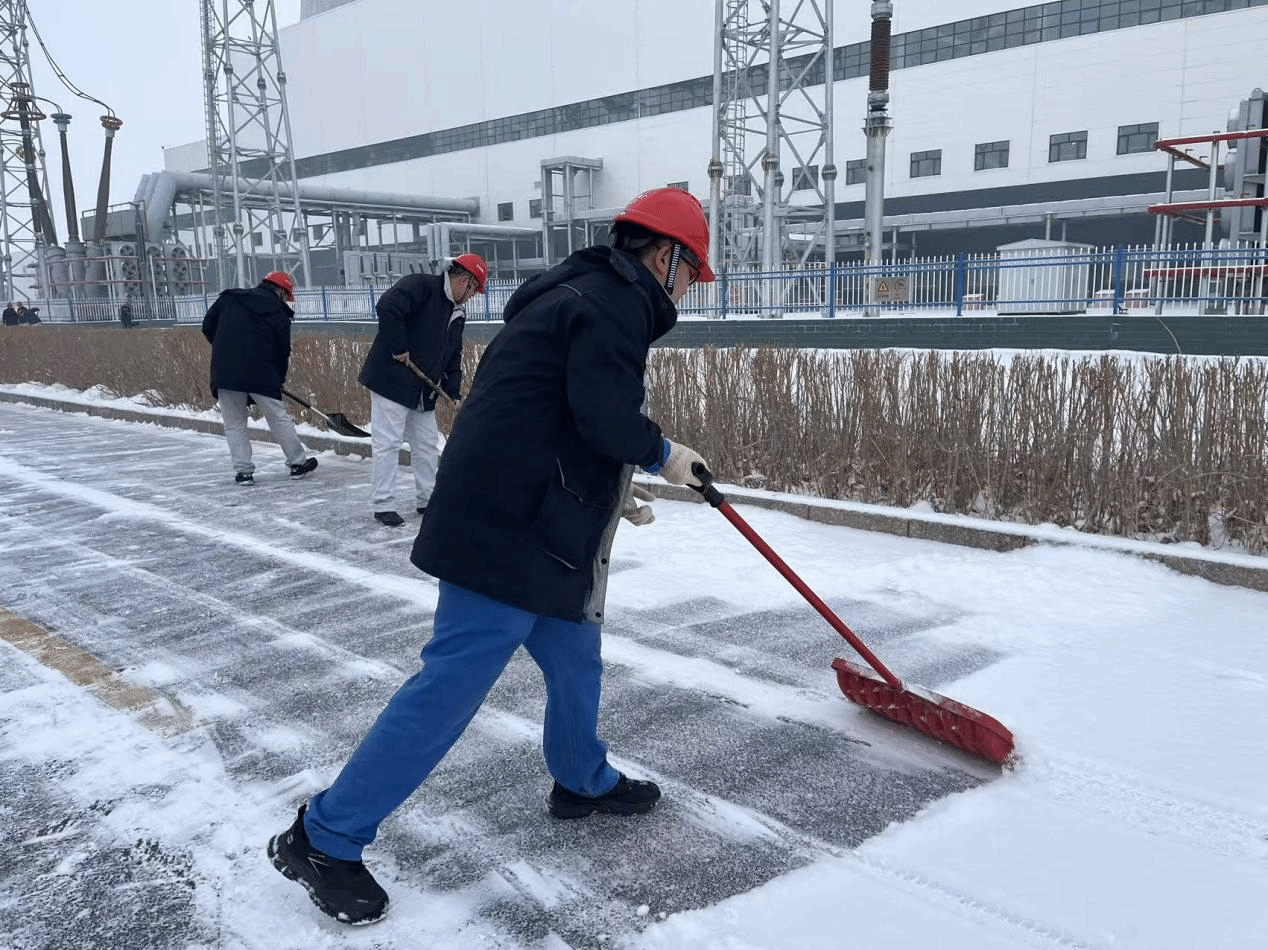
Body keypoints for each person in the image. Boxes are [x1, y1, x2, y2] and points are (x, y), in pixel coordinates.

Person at [267, 187, 713, 925]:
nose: (691, 289)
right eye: (692, 273)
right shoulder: (614, 303)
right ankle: (324, 836)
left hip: (536, 516)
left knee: (575, 655)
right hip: (507, 526)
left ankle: (581, 778)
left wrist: (611, 486)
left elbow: (558, 412)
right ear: (665, 256)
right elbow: (604, 416)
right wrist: (662, 453)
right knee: (450, 685)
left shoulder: (581, 292)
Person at [357, 252, 487, 527]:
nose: (472, 297)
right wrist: (398, 347)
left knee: (426, 444)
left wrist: (453, 392)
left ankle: (427, 500)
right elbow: (388, 307)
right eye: (474, 291)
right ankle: (383, 504)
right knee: (388, 443)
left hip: (422, 389)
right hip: (392, 379)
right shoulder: (422, 286)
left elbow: (453, 356)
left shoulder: (457, 314)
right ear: (465, 281)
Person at [200, 271, 318, 485]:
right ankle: (298, 463)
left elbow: (207, 327)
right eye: (286, 295)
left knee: (234, 424)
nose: (286, 299)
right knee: (278, 418)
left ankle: (243, 472)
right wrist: (278, 378)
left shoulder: (229, 298)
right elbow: (283, 351)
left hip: (226, 371)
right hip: (262, 372)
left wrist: (227, 349)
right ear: (280, 291)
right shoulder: (279, 312)